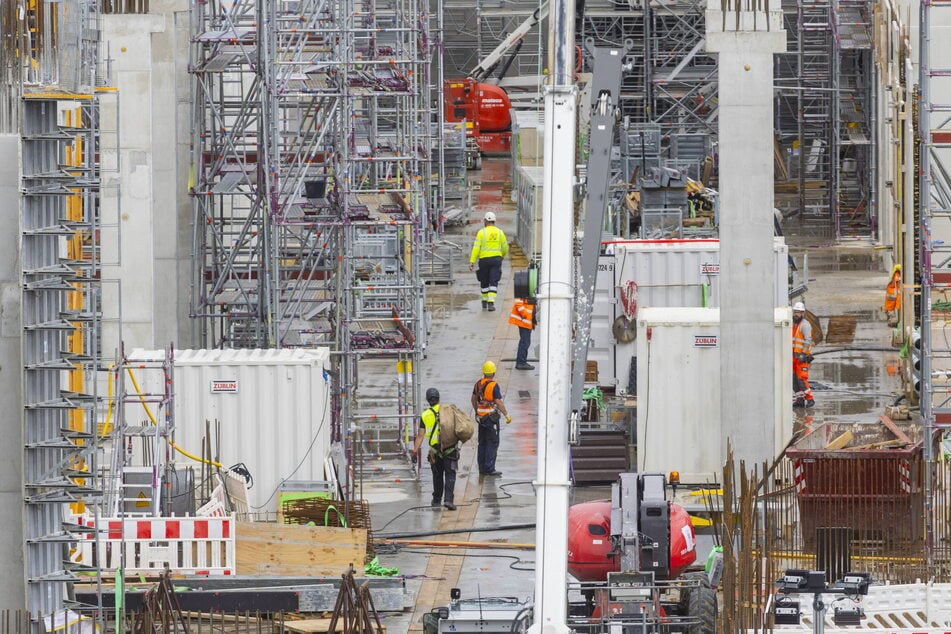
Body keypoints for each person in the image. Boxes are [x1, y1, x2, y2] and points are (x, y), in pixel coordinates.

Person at [411, 387, 458, 510]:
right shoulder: (447, 410)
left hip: (435, 451)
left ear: (428, 400)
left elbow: (420, 435)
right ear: (438, 398)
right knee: (450, 475)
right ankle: (448, 500)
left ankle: (437, 500)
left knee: (437, 476)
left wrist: (414, 452)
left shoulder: (425, 415)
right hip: (450, 448)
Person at [471, 361, 511, 476]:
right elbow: (498, 402)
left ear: (484, 372)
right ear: (493, 372)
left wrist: (477, 411)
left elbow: (473, 400)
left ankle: (482, 468)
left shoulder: (478, 384)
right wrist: (506, 415)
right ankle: (489, 468)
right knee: (492, 442)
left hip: (481, 419)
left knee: (482, 442)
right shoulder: (494, 385)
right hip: (490, 419)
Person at [469, 211, 509, 311]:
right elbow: (505, 247)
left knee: (484, 280)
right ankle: (491, 302)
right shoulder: (500, 232)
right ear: (494, 221)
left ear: (485, 221)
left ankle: (484, 301)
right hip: (496, 260)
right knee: (493, 281)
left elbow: (476, 248)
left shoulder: (481, 232)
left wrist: (472, 261)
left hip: (484, 260)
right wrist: (502, 256)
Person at [792, 301, 815, 408]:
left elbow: (808, 340)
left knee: (801, 379)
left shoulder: (805, 325)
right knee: (793, 380)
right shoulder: (793, 324)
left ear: (802, 313)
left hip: (802, 357)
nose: (796, 314)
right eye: (795, 312)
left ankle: (810, 399)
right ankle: (800, 400)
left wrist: (803, 353)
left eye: (798, 312)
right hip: (793, 357)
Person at [509, 294, 536, 370]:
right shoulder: (523, 289)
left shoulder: (528, 290)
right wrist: (526, 315)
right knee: (525, 342)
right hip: (524, 321)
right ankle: (521, 363)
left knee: (525, 342)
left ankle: (522, 361)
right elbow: (518, 303)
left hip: (527, 321)